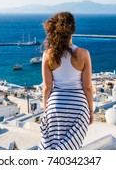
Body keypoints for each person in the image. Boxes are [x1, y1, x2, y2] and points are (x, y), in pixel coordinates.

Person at [39, 11, 94, 150]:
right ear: (73, 30)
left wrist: (47, 110)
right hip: (79, 107)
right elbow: (87, 86)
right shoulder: (83, 54)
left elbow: (47, 87)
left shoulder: (47, 54)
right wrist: (91, 111)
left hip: (55, 105)